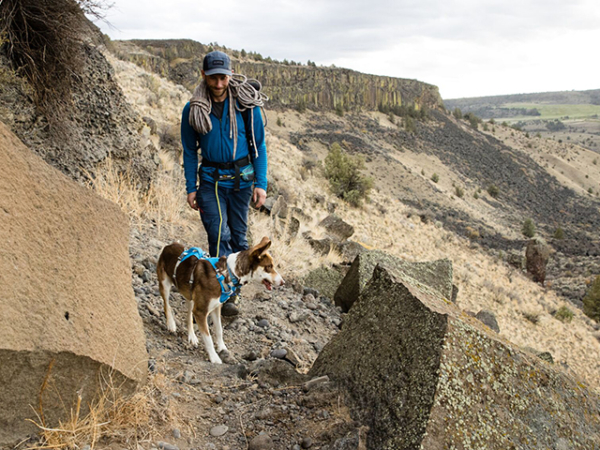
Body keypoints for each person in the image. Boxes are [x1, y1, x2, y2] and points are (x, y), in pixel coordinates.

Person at [180, 50, 268, 316]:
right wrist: (190, 188)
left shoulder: (246, 107)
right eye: (213, 78)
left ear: (230, 75)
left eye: (223, 78)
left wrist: (261, 183)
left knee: (240, 237)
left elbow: (259, 146)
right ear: (204, 75)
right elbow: (188, 150)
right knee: (219, 234)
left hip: (242, 181)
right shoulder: (192, 110)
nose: (218, 84)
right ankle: (223, 294)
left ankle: (234, 290)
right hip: (210, 182)